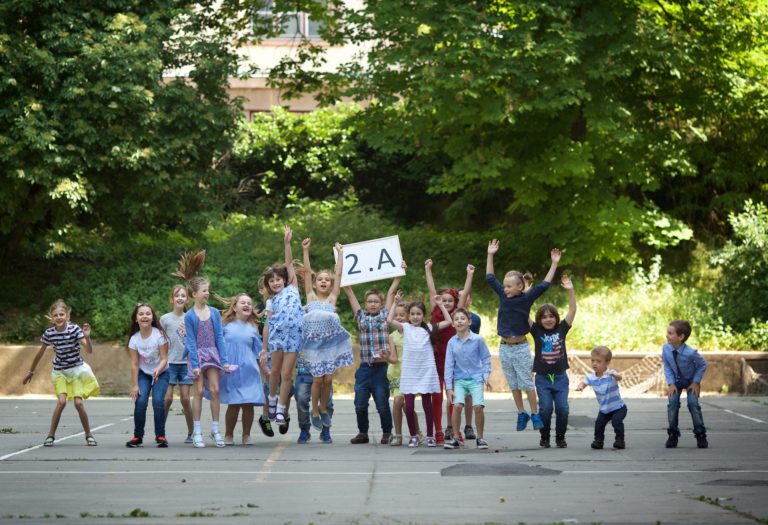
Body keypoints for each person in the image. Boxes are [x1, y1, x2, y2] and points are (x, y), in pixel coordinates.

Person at [486, 240, 560, 431]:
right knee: (513, 384)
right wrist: (490, 254)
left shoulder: (526, 298)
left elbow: (544, 285)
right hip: (505, 348)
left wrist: (554, 264)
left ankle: (534, 413)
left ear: (520, 287)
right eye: (504, 286)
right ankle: (521, 413)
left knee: (526, 382)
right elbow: (490, 277)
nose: (505, 289)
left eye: (509, 286)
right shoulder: (503, 296)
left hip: (520, 347)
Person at [174, 249, 231, 448]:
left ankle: (215, 429)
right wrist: (195, 364)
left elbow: (219, 338)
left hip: (212, 354)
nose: (207, 293)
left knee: (215, 389)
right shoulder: (190, 316)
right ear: (194, 294)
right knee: (198, 390)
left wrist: (224, 360)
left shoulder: (214, 312)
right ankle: (197, 431)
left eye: (208, 290)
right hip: (197, 355)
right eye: (204, 291)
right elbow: (191, 342)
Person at [23, 300, 99, 447]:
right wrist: (31, 371)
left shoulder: (74, 329)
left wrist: (87, 337)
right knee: (62, 402)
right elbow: (40, 353)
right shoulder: (50, 333)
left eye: (61, 314)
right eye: (56, 315)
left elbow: (89, 351)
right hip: (60, 371)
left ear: (67, 316)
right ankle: (50, 435)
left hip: (76, 370)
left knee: (78, 403)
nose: (59, 317)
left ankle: (89, 434)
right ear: (52, 318)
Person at [343, 268, 403, 445]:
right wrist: (344, 280)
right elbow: (350, 293)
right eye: (370, 301)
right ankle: (363, 433)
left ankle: (387, 432)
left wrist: (397, 276)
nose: (373, 304)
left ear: (381, 304)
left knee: (382, 404)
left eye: (376, 301)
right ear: (365, 303)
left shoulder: (385, 316)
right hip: (365, 369)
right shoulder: (361, 317)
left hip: (380, 369)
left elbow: (391, 292)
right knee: (360, 403)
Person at [301, 239, 354, 431]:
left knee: (328, 379)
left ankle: (323, 407)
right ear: (315, 284)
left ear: (331, 285)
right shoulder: (310, 297)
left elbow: (338, 274)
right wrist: (305, 251)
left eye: (327, 280)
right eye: (320, 279)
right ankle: (314, 410)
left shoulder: (332, 299)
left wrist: (340, 254)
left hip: (330, 345)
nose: (324, 281)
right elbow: (307, 272)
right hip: (314, 346)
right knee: (317, 379)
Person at [388, 296, 452, 447]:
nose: (415, 317)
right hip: (410, 372)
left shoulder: (429, 328)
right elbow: (389, 320)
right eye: (412, 314)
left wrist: (441, 305)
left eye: (418, 314)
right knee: (409, 407)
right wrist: (395, 303)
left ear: (423, 315)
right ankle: (414, 436)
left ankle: (430, 436)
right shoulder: (405, 328)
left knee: (427, 405)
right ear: (408, 316)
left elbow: (449, 321)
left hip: (425, 371)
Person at [260, 226, 304, 430]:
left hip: (294, 338)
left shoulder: (293, 289)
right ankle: (271, 399)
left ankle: (280, 408)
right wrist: (264, 347)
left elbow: (289, 263)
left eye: (278, 279)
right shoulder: (271, 301)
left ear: (285, 280)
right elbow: (267, 325)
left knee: (287, 374)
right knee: (275, 372)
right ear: (268, 285)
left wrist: (287, 243)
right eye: (272, 281)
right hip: (277, 338)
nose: (276, 282)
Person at [424, 260, 473, 444]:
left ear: (456, 302)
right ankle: (438, 431)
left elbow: (465, 293)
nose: (446, 303)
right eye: (443, 300)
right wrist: (428, 269)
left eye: (450, 300)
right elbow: (431, 290)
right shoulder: (435, 310)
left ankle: (454, 431)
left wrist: (469, 275)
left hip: (453, 361)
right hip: (435, 359)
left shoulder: (457, 314)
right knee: (436, 397)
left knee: (453, 397)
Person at [530, 275, 577, 448]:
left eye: (551, 316)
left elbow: (572, 310)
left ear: (556, 318)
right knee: (546, 409)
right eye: (544, 317)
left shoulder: (562, 329)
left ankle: (560, 437)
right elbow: (523, 312)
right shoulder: (536, 330)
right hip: (543, 378)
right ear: (539, 320)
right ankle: (545, 437)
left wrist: (570, 290)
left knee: (563, 409)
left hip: (560, 377)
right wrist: (526, 295)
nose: (548, 319)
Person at [444, 308, 492, 450]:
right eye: (456, 319)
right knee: (457, 406)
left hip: (476, 379)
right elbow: (448, 365)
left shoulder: (478, 340)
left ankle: (480, 438)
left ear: (469, 322)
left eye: (463, 318)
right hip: (459, 380)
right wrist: (448, 387)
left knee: (478, 407)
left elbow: (486, 358)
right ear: (453, 324)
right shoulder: (451, 342)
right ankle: (455, 438)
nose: (459, 321)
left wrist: (486, 376)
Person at [220, 293, 265, 446]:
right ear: (235, 308)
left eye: (249, 303)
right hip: (231, 370)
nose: (246, 305)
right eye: (243, 303)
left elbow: (258, 352)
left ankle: (246, 435)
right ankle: (228, 434)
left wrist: (265, 370)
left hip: (249, 371)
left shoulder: (253, 328)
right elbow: (217, 344)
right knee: (233, 403)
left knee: (248, 403)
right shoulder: (225, 325)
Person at [126, 303, 170, 448]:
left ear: (152, 317)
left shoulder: (159, 335)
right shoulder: (134, 339)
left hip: (161, 373)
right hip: (144, 374)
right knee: (140, 401)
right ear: (136, 319)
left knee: (157, 401)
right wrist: (135, 385)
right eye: (141, 314)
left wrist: (158, 369)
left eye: (148, 313)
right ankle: (138, 437)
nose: (144, 316)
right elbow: (134, 364)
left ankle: (160, 435)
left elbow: (164, 358)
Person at [662, 320, 708, 449]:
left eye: (670, 333)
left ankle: (700, 434)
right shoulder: (666, 348)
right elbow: (667, 366)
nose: (667, 335)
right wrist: (671, 383)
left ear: (681, 337)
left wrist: (696, 381)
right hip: (675, 381)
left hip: (690, 381)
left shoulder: (690, 352)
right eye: (667, 332)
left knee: (693, 404)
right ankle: (673, 434)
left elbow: (703, 365)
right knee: (672, 403)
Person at [386, 294, 422, 446]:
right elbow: (394, 359)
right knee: (397, 402)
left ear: (408, 316)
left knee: (408, 407)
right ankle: (398, 434)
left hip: (411, 374)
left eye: (402, 315)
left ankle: (417, 432)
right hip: (396, 373)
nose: (399, 318)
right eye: (396, 315)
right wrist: (386, 356)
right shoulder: (391, 336)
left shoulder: (413, 332)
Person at [160, 285, 194, 444]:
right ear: (171, 299)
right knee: (167, 398)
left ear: (187, 299)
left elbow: (194, 341)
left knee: (185, 399)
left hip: (186, 364)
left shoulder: (190, 318)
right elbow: (160, 341)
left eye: (183, 296)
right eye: (177, 295)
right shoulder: (165, 319)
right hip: (169, 363)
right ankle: (160, 432)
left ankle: (192, 432)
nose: (180, 298)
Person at [576, 346, 627, 450]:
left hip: (618, 408)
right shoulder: (591, 377)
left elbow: (619, 377)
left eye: (598, 361)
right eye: (593, 360)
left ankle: (620, 441)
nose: (594, 363)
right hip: (604, 409)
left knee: (616, 422)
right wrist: (581, 387)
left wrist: (614, 375)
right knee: (599, 424)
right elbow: (584, 382)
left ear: (607, 363)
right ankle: (598, 441)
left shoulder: (610, 374)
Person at [295, 352, 334, 444]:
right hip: (304, 371)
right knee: (301, 399)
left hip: (324, 372)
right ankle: (304, 430)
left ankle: (325, 430)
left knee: (328, 401)